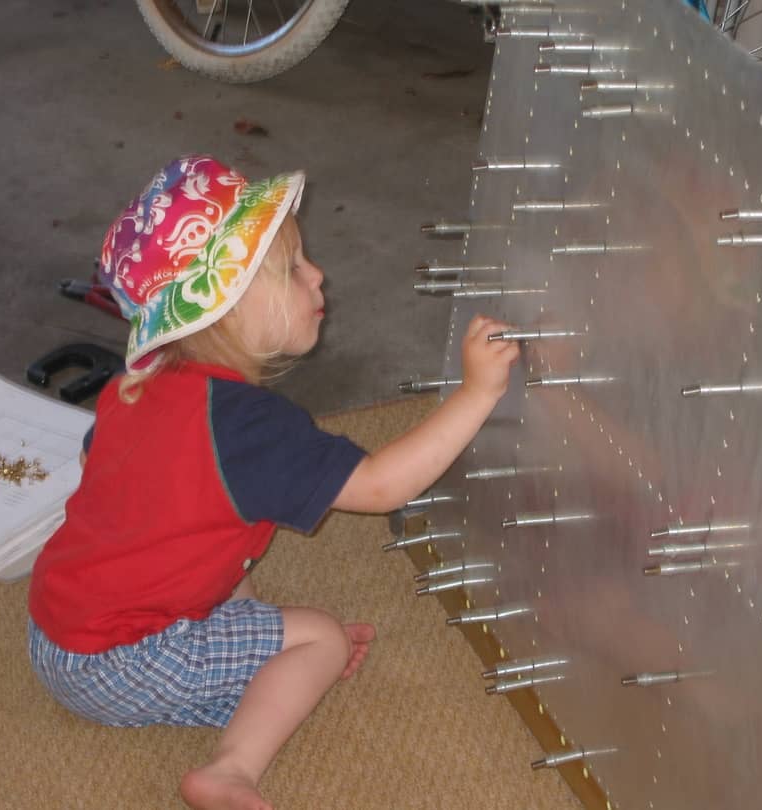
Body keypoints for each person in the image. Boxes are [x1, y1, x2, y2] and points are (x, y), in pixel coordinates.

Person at [27, 154, 519, 810]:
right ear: (223, 308)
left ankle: (253, 655)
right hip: (118, 661)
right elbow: (379, 488)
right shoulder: (249, 426)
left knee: (266, 626)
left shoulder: (131, 390)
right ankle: (229, 771)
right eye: (290, 270)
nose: (318, 276)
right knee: (321, 638)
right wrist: (477, 393)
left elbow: (105, 478)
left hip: (53, 628)